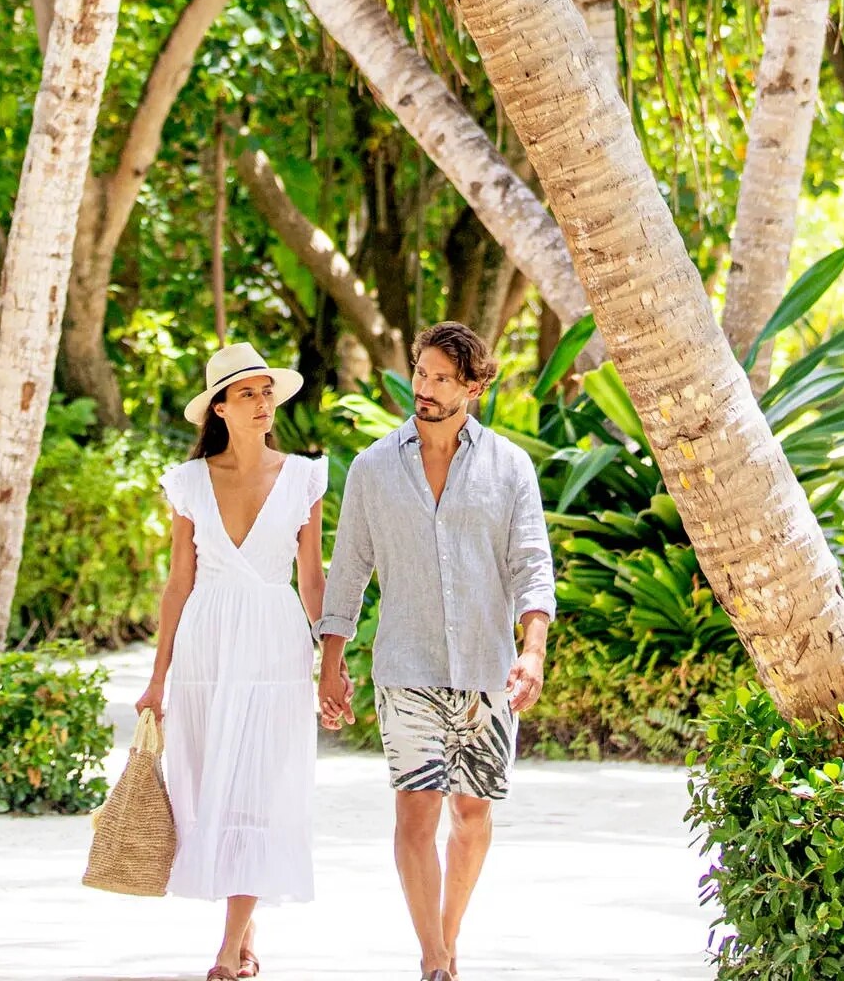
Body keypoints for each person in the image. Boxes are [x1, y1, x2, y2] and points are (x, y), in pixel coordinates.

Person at [316, 321, 555, 981]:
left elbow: (533, 566)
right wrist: (330, 665)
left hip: (485, 667)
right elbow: (348, 572)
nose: (423, 388)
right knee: (416, 810)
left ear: (474, 387)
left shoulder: (510, 467)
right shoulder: (372, 469)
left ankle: (447, 940)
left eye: (441, 378)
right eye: (420, 373)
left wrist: (531, 650)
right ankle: (433, 961)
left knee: (472, 815)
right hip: (407, 666)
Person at [135, 342, 340, 981]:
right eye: (246, 392)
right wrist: (156, 678)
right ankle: (245, 929)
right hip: (208, 641)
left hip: (276, 640)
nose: (261, 402)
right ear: (219, 408)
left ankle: (228, 951)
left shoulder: (305, 477)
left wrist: (334, 660)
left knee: (259, 783)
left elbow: (312, 582)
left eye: (266, 390)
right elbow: (178, 584)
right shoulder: (190, 483)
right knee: (210, 785)